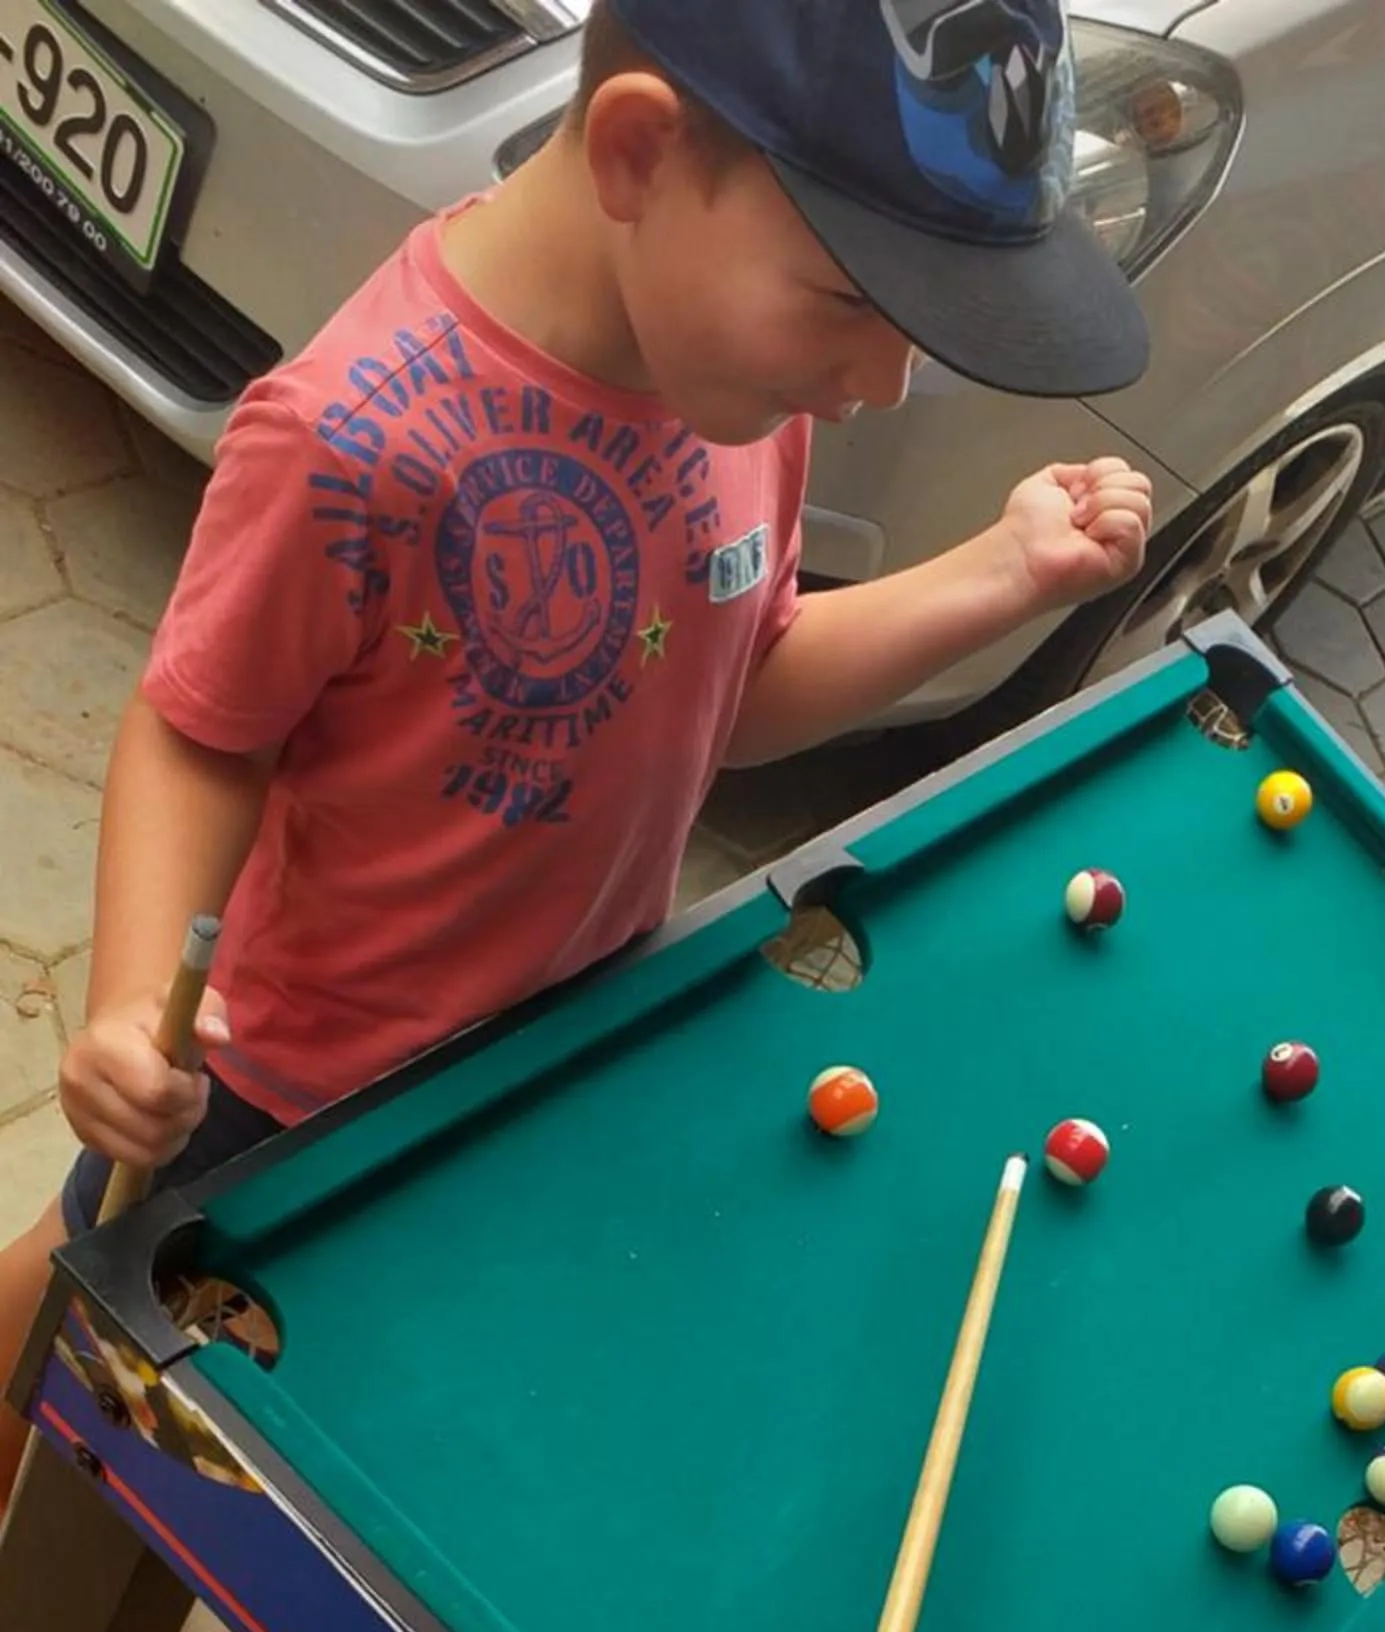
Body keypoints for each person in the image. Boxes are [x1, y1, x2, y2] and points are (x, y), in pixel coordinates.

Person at [0, 0, 1154, 1503]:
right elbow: (199, 734)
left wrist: (996, 575)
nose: (879, 379)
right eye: (850, 298)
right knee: (78, 1322)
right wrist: (125, 1005)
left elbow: (731, 694)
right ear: (638, 153)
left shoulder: (742, 389)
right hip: (286, 1093)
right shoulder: (353, 439)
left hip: (544, 1055)